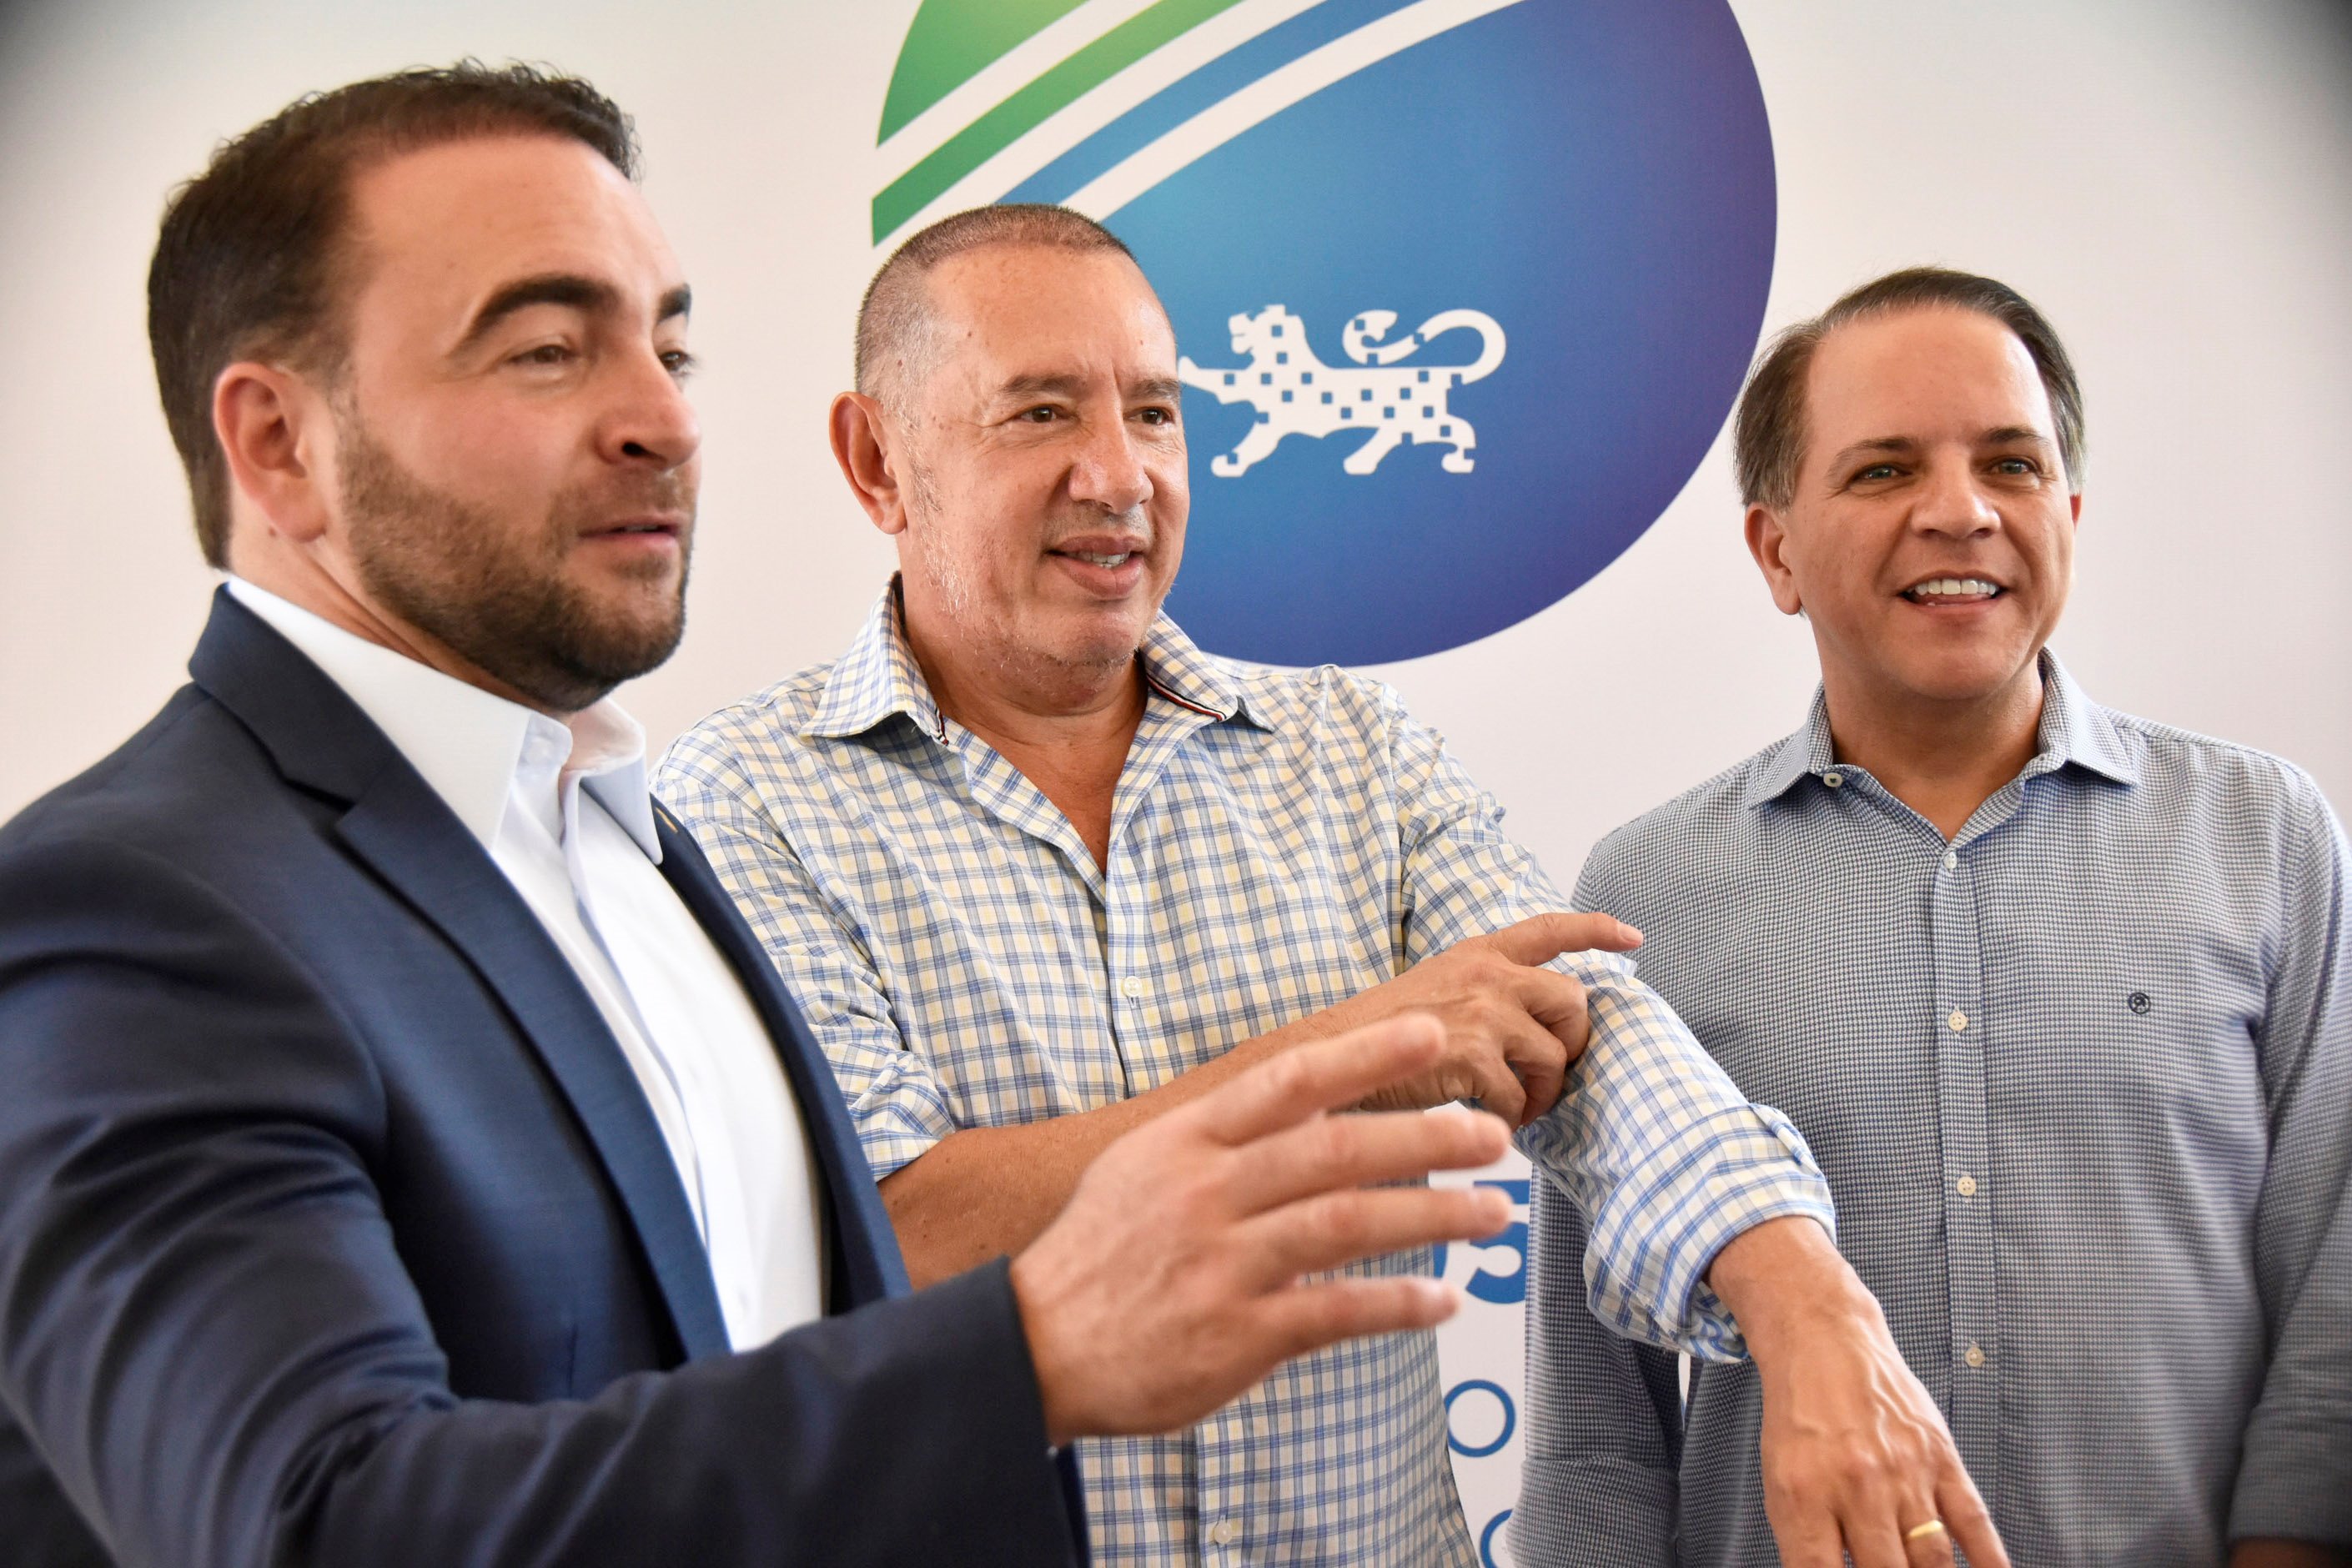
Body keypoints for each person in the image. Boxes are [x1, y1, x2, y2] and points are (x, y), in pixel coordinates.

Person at [0, 65, 1538, 1568]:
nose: (661, 421)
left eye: (670, 349)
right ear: (277, 443)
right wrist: (1031, 1354)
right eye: (545, 350)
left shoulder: (617, 835)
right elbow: (315, 1521)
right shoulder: (129, 908)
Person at [656, 206, 2005, 1567]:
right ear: (878, 461)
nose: (1119, 475)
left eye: (1156, 413)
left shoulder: (1353, 750)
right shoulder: (744, 801)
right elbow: (888, 1232)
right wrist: (1365, 1056)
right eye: (1042, 413)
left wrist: (1804, 1296)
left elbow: (1587, 1025)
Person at [1511, 267, 2352, 1567]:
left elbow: (2335, 1304)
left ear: (2069, 515)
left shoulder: (2262, 835)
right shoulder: (1646, 894)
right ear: (1776, 550)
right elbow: (1600, 1430)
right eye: (1884, 470)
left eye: (2011, 465)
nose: (1960, 512)